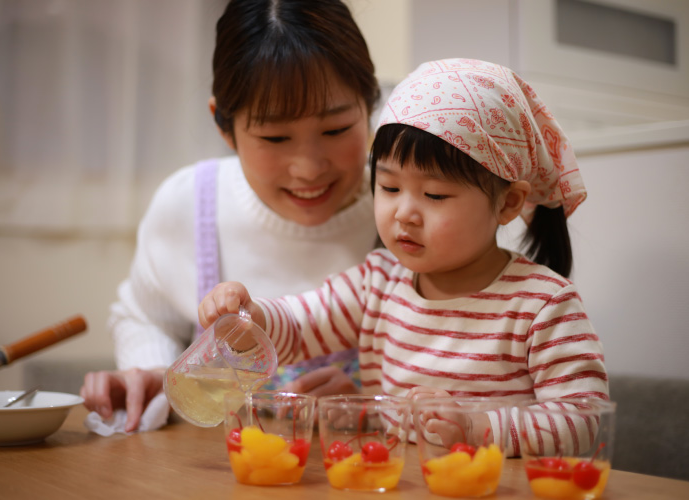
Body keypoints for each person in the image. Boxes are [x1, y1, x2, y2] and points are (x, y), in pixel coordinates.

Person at [198, 58, 609, 456]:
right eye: (390, 188)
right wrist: (252, 315)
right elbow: (306, 321)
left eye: (434, 195)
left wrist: (478, 428)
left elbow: (582, 418)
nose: (404, 214)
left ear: (508, 203)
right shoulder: (379, 282)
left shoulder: (542, 304)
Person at [80, 0, 381, 432]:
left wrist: (377, 400)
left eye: (335, 130)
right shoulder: (190, 204)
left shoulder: (405, 213)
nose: (309, 168)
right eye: (275, 137)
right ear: (224, 127)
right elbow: (143, 315)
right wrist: (152, 369)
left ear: (369, 106)